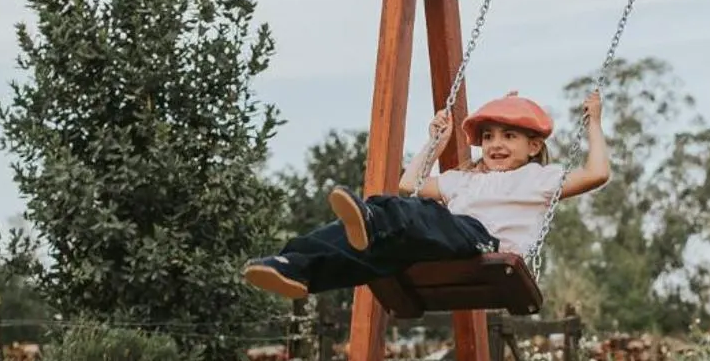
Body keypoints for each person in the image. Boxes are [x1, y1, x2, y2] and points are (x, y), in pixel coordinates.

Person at [243, 89, 609, 299]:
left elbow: (597, 172)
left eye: (508, 136)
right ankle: (296, 265)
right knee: (369, 251)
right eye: (487, 136)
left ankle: (372, 220)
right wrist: (435, 144)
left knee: (421, 213)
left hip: (486, 244)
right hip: (443, 240)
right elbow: (408, 182)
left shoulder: (538, 178)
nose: (495, 144)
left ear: (533, 146)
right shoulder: (463, 180)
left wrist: (594, 122)